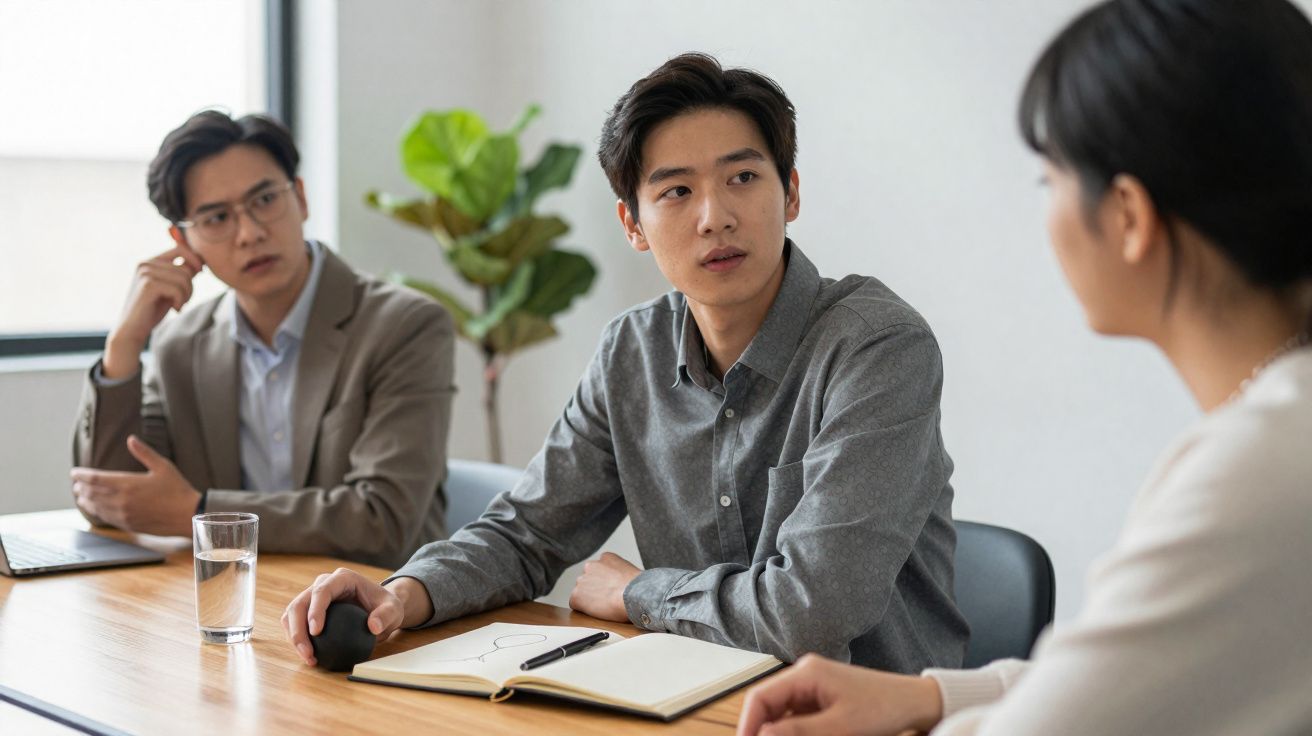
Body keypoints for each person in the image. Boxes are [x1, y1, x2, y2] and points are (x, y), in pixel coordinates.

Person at [282, 53, 968, 672]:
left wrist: (639, 591)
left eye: (742, 177)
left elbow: (811, 614)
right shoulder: (630, 353)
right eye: (676, 192)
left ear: (790, 192)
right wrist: (401, 596)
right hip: (687, 700)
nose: (715, 216)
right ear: (633, 225)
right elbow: (526, 534)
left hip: (868, 716)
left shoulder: (877, 346)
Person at [736, 0, 1312, 734]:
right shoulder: (1278, 423)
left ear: (1128, 216)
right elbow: (1134, 672)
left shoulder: (1254, 470)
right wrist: (931, 698)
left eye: (1051, 179)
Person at [70, 111, 456, 569]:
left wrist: (198, 513)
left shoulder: (404, 325)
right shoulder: (180, 344)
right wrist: (123, 348)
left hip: (379, 612)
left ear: (301, 198)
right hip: (239, 603)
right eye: (216, 218)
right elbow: (112, 500)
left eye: (266, 199)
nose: (250, 233)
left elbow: (382, 519)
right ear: (184, 241)